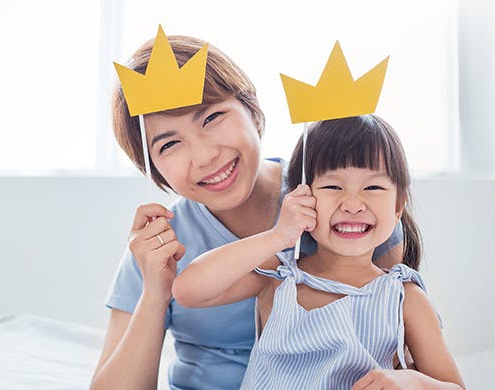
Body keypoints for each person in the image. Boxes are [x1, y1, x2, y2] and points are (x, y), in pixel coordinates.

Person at [90, 35, 404, 390]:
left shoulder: (346, 210)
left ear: (252, 112)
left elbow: (394, 338)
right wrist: (155, 292)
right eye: (170, 144)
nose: (205, 155)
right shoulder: (158, 245)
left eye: (212, 118)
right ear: (154, 169)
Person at [173, 115, 465, 389]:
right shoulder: (280, 277)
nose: (353, 204)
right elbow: (188, 289)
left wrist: (413, 382)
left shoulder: (405, 299)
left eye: (373, 186)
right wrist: (277, 236)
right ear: (301, 198)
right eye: (332, 185)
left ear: (398, 206)